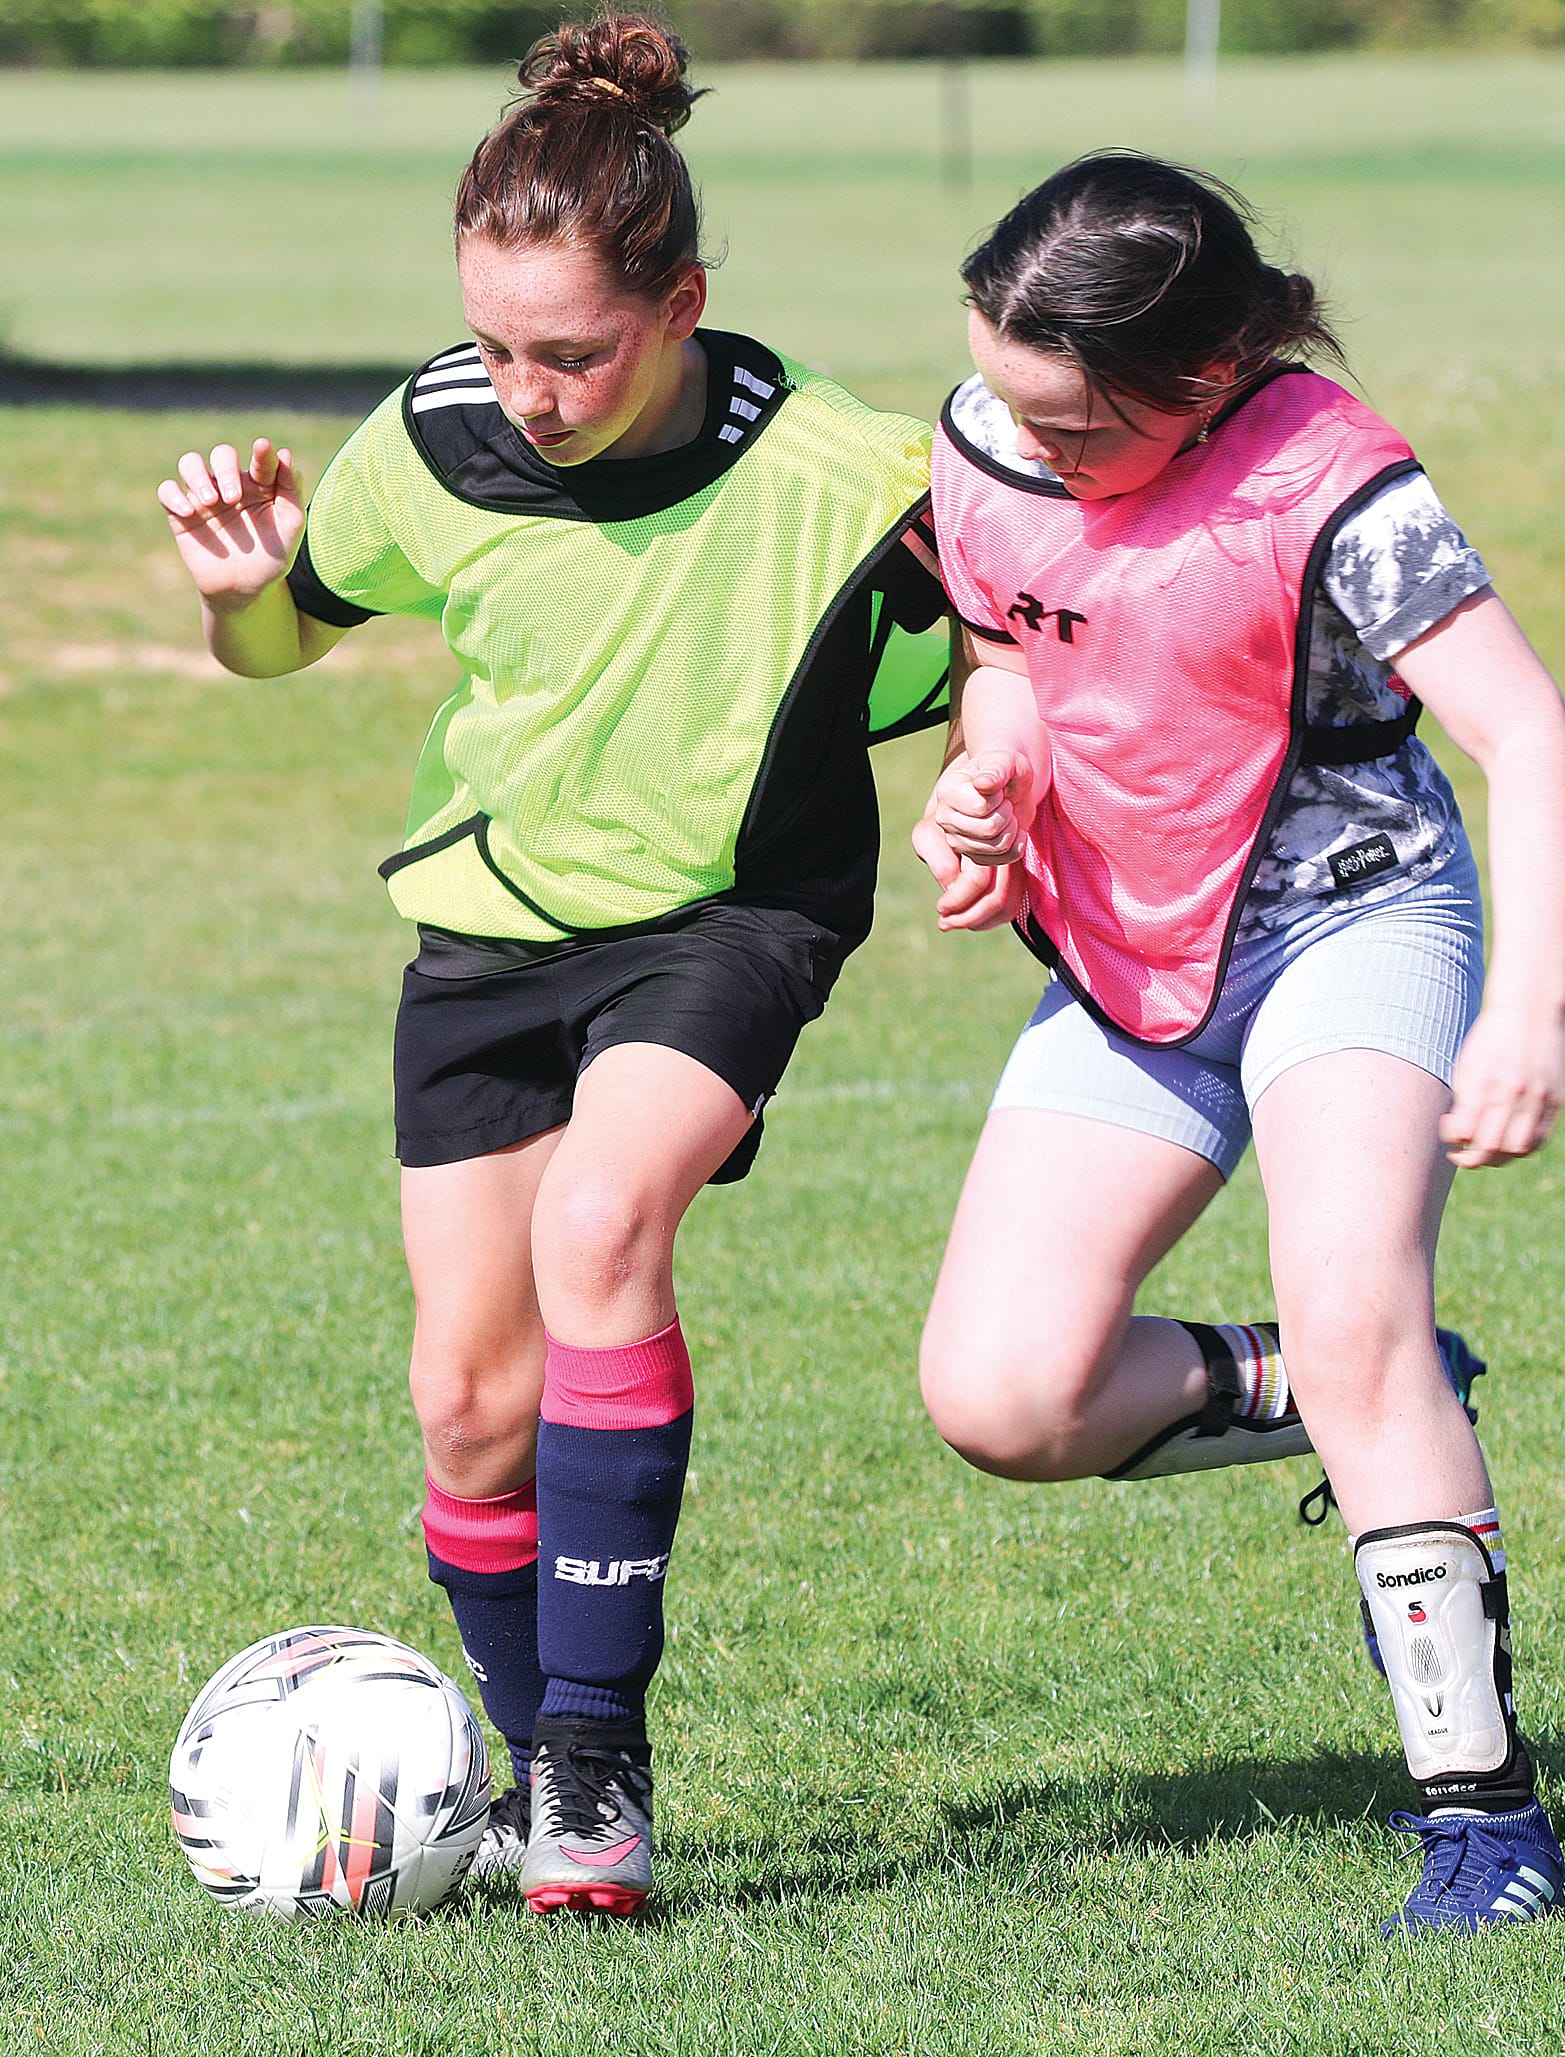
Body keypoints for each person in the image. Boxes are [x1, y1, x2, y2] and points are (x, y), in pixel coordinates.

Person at [156, 13, 946, 1918]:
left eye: (574, 351)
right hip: (489, 938)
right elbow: (280, 647)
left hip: (731, 914)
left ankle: (592, 1770)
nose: (526, 388)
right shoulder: (431, 433)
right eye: (498, 341)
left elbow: (1013, 635)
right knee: (467, 1404)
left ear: (678, 302)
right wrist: (235, 592)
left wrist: (992, 763)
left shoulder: (839, 466)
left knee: (604, 1226)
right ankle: (528, 1788)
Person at [913, 152, 1565, 1934]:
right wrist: (990, 783)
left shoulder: (1331, 485)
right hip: (1136, 957)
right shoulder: (985, 433)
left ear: (1200, 384)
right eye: (1005, 392)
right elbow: (1007, 647)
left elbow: (1525, 732)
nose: (1024, 440)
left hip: (1353, 918)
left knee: (1351, 1296)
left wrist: (1526, 1003)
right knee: (999, 1394)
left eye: (1071, 426)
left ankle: (1483, 1821)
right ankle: (1355, 1379)